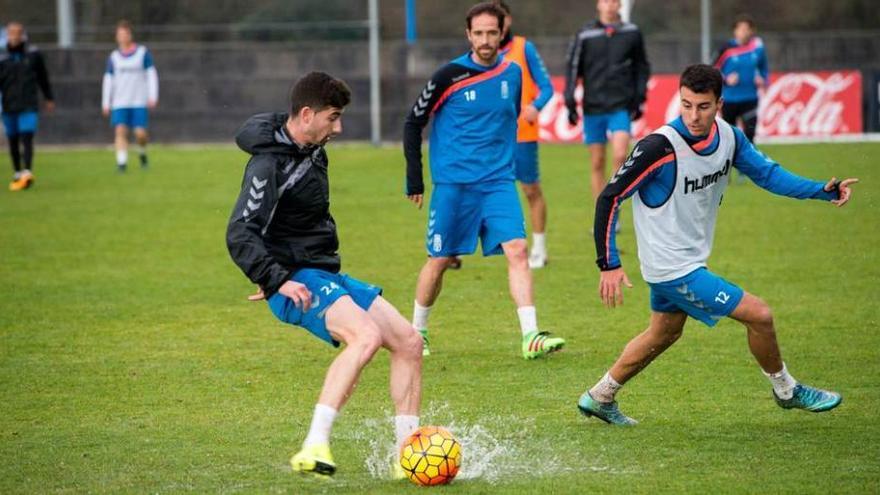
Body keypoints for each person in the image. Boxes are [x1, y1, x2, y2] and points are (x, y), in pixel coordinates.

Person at [577, 64, 857, 425]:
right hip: (671, 267)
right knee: (760, 316)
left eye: (703, 106)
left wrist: (821, 190)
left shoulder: (730, 137)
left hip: (689, 260)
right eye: (686, 105)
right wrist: (609, 263)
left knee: (664, 333)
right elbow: (610, 198)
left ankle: (600, 395)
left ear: (719, 104)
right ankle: (786, 389)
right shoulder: (658, 147)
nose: (694, 116)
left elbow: (768, 175)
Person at [226, 72, 423, 477]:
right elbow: (240, 232)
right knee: (365, 336)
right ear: (306, 114)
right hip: (296, 282)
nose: (339, 127)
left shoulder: (312, 148)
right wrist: (275, 277)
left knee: (408, 341)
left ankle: (407, 454)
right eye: (333, 118)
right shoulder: (267, 165)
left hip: (321, 272)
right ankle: (314, 444)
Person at [403, 2, 565, 359]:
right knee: (440, 259)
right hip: (454, 185)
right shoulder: (449, 75)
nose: (486, 39)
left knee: (517, 250)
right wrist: (414, 179)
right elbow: (414, 121)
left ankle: (530, 335)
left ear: (501, 33)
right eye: (478, 33)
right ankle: (417, 333)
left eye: (492, 32)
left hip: (497, 183)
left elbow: (508, 120)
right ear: (468, 35)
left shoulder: (512, 73)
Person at [564, 0, 649, 204]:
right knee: (597, 162)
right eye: (606, 1)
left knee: (620, 156)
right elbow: (573, 68)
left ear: (619, 5)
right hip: (593, 107)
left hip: (621, 105)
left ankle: (614, 208)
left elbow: (641, 67)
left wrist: (639, 97)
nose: (610, 5)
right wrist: (569, 100)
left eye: (614, 1)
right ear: (598, 4)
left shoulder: (632, 32)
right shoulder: (585, 34)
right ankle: (601, 214)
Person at [496, 1, 554, 269]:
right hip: (492, 134)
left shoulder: (523, 47)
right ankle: (461, 249)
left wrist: (536, 106)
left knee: (530, 189)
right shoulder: (480, 51)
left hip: (522, 132)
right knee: (486, 188)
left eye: (501, 18)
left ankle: (539, 248)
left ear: (508, 20)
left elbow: (546, 87)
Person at [0, 21, 54, 191]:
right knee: (13, 139)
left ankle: (27, 171)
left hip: (28, 104)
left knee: (27, 136)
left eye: (17, 33)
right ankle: (17, 172)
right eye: (11, 33)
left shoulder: (33, 55)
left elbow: (43, 77)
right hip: (8, 105)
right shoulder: (3, 57)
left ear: (23, 35)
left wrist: (48, 97)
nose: (14, 36)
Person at [102, 20, 158, 173]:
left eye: (125, 34)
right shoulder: (114, 57)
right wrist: (106, 102)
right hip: (120, 102)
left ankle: (142, 153)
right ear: (116, 37)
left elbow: (151, 75)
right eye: (120, 34)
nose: (123, 37)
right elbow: (108, 79)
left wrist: (153, 95)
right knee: (120, 131)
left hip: (138, 100)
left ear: (130, 35)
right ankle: (122, 164)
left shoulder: (142, 53)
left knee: (140, 134)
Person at [714, 14, 767, 145]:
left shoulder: (758, 48)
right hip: (729, 100)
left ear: (752, 31)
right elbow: (712, 70)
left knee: (750, 135)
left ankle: (750, 164)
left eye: (747, 29)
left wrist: (762, 78)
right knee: (729, 138)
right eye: (741, 29)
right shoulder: (726, 49)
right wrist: (726, 80)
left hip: (750, 98)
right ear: (735, 31)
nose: (744, 32)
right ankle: (728, 163)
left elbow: (764, 68)